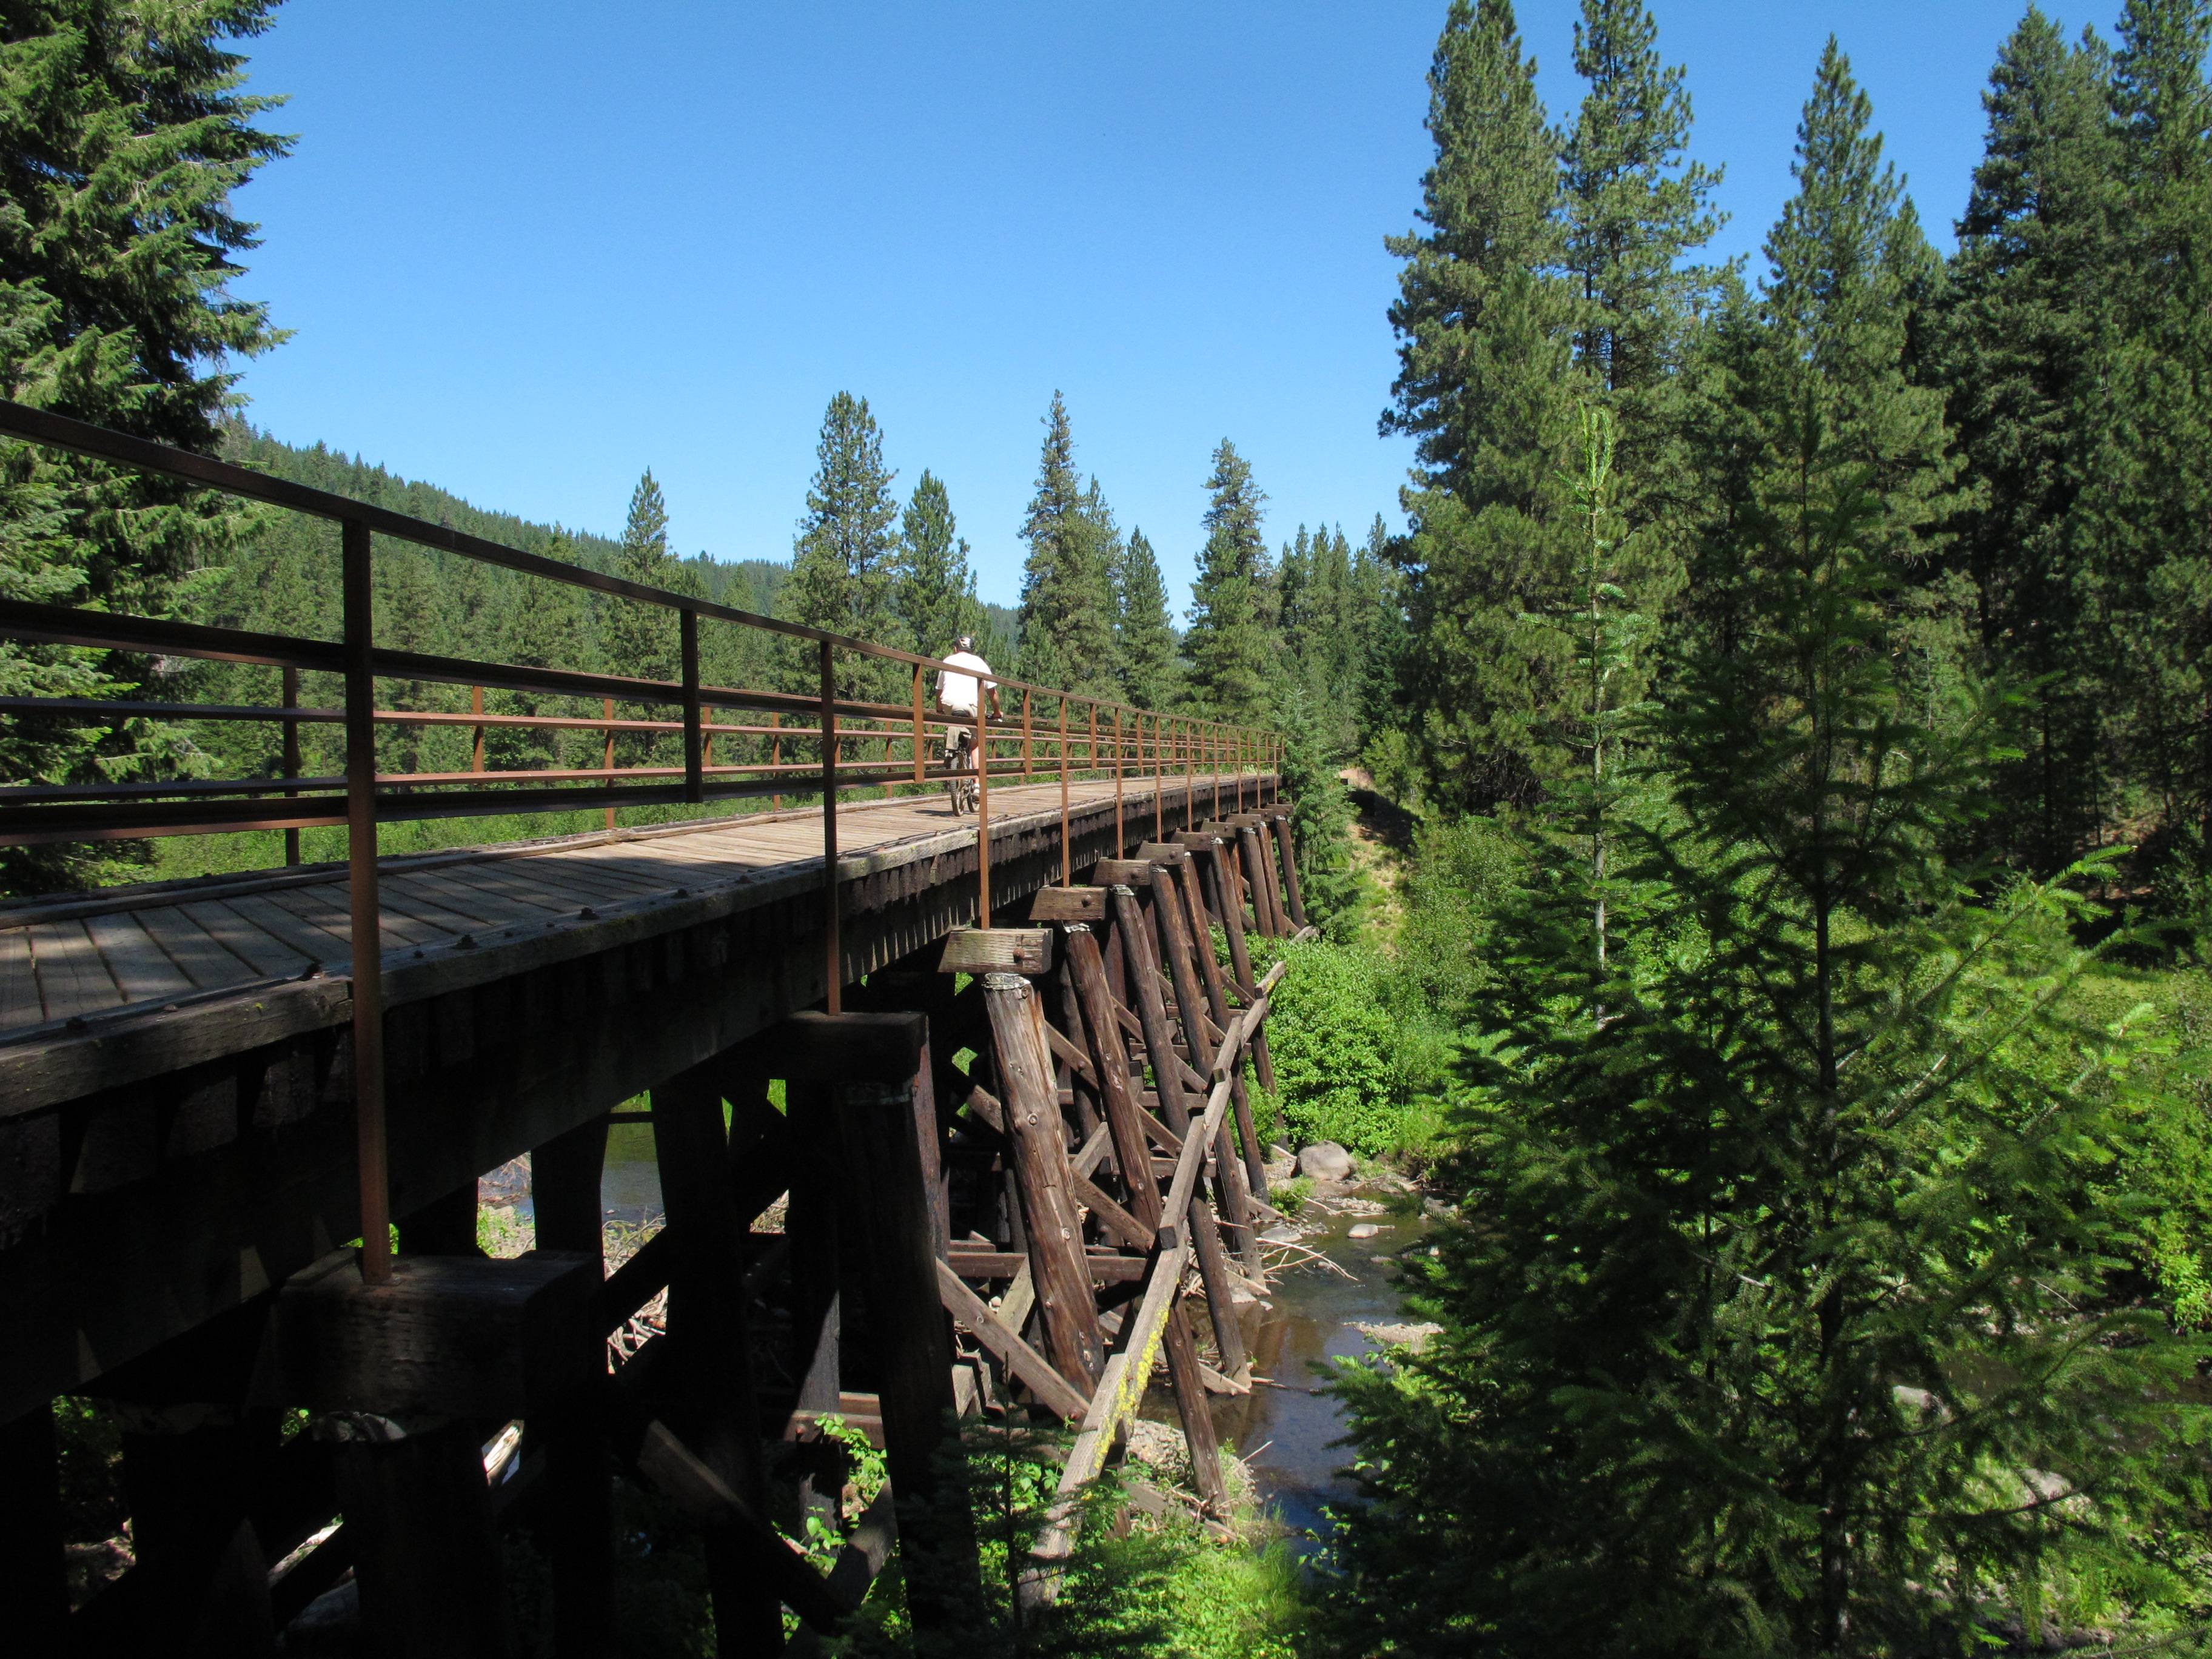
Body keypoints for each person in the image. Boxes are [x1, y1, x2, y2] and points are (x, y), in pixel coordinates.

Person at [936, 635, 997, 771]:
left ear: (955, 648)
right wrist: (997, 712)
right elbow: (992, 693)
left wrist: (939, 710)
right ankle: (977, 782)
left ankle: (950, 749)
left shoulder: (947, 661)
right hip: (972, 706)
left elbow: (939, 691)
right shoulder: (979, 663)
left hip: (949, 704)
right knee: (975, 743)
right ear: (972, 649)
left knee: (951, 722)